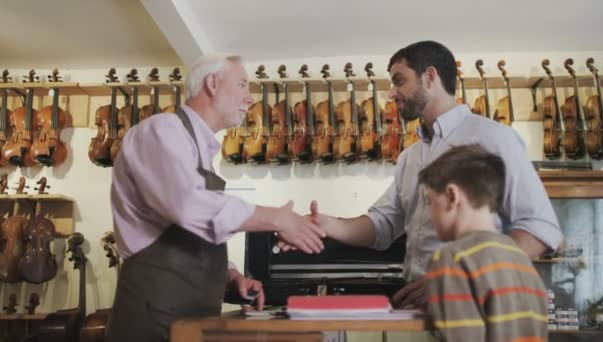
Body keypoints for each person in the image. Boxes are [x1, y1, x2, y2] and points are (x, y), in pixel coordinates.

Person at [301, 40, 562, 309]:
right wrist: (326, 224)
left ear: (430, 77)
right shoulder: (409, 157)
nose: (391, 93)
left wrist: (457, 280)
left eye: (399, 81)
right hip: (418, 311)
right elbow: (383, 224)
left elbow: (540, 229)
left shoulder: (495, 138)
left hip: (478, 310)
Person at [106, 54, 325, 342]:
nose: (250, 99)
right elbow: (188, 206)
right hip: (153, 319)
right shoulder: (162, 130)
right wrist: (278, 218)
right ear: (212, 83)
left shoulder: (196, 147)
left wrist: (230, 276)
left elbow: (193, 229)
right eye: (243, 85)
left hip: (191, 319)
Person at [420, 144, 548, 341]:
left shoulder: (451, 259)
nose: (430, 213)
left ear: (452, 196)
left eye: (430, 202)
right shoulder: (520, 259)